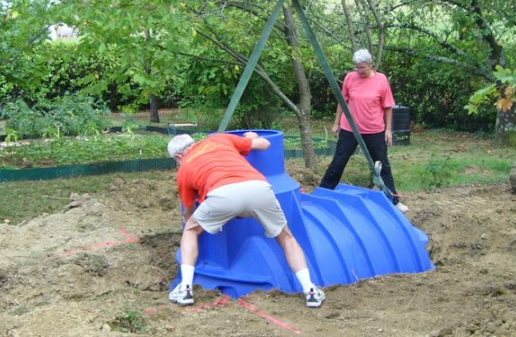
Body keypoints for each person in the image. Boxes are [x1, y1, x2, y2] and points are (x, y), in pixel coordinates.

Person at [166, 132, 326, 308]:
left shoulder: (184, 169)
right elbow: (264, 144)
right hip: (258, 187)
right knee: (286, 237)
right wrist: (251, 136)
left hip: (221, 194)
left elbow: (189, 211)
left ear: (179, 156)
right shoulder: (219, 139)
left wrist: (194, 222)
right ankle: (310, 290)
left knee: (190, 230)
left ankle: (185, 289)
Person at [319, 48, 408, 213]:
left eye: (362, 68)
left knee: (382, 165)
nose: (359, 71)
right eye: (356, 67)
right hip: (350, 129)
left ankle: (393, 200)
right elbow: (342, 101)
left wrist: (388, 129)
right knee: (338, 162)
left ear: (370, 64)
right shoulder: (350, 78)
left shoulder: (381, 80)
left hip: (374, 129)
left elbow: (388, 106)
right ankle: (323, 193)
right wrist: (336, 123)